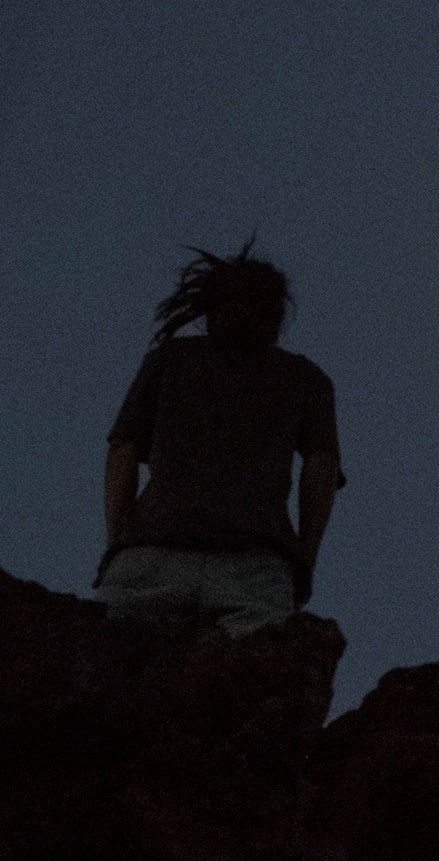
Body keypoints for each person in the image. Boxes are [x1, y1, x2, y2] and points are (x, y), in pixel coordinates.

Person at [93, 240, 343, 637]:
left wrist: (118, 541)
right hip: (256, 566)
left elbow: (122, 452)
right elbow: (321, 469)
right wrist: (305, 558)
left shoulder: (169, 360)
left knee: (110, 677)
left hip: (152, 554)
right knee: (251, 688)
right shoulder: (306, 379)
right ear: (276, 315)